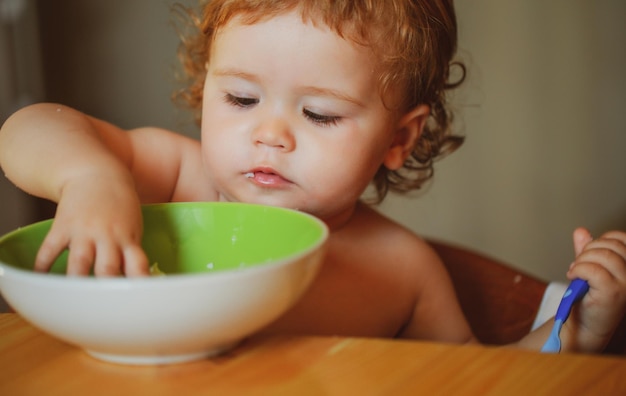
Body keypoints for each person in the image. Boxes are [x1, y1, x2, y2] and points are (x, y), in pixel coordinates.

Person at [0, 0, 624, 353]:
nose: (271, 134)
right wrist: (91, 177)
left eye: (319, 113)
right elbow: (26, 127)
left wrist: (579, 330)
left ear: (398, 139)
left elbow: (473, 381)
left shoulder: (400, 271)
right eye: (241, 100)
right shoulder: (173, 176)